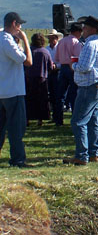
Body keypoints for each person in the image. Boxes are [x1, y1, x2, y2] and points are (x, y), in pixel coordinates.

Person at [64, 16, 98, 165]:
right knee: (92, 121)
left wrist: (74, 66)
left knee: (78, 121)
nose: (83, 30)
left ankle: (82, 155)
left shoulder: (90, 45)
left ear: (92, 29)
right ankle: (93, 153)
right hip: (97, 85)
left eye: (85, 27)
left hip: (89, 86)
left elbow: (84, 67)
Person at [0, 12, 33, 167]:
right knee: (16, 128)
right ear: (14, 24)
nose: (20, 28)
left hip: (2, 89)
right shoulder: (6, 40)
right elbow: (27, 61)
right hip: (13, 90)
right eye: (19, 25)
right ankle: (18, 158)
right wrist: (25, 40)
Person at [55, 23, 83, 124]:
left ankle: (58, 119)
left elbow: (57, 57)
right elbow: (77, 57)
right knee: (73, 93)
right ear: (78, 32)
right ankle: (75, 117)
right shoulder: (76, 42)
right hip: (72, 68)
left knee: (60, 94)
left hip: (63, 68)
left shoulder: (61, 41)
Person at [25, 33, 54, 126]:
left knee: (29, 100)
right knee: (42, 100)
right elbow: (50, 66)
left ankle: (27, 119)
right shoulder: (45, 52)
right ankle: (40, 119)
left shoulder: (29, 51)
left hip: (29, 78)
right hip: (42, 78)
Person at [45, 29, 62, 117]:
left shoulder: (60, 48)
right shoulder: (47, 49)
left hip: (57, 73)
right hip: (49, 73)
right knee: (51, 95)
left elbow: (63, 61)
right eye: (50, 38)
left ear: (56, 38)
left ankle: (57, 114)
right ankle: (54, 114)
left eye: (53, 38)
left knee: (57, 95)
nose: (51, 40)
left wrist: (56, 66)